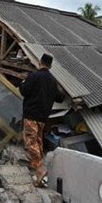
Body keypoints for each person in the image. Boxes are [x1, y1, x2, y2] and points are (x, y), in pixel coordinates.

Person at [19, 53, 64, 183]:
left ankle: (40, 169)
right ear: (50, 66)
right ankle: (35, 165)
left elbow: (24, 91)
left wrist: (22, 83)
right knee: (38, 141)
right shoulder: (52, 80)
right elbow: (60, 98)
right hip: (43, 117)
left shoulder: (34, 76)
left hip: (31, 115)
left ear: (40, 62)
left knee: (30, 142)